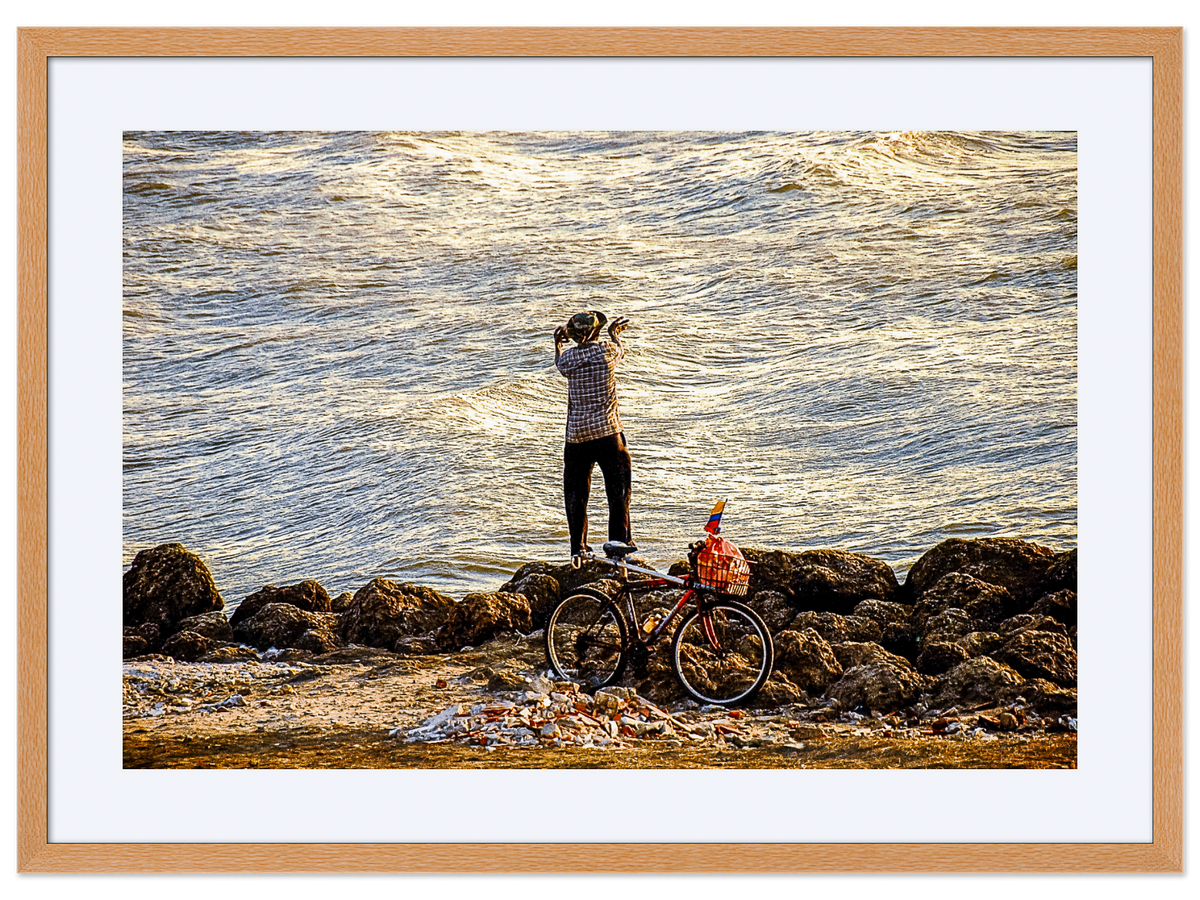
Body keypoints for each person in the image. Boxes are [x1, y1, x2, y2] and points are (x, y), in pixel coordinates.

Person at [554, 309, 634, 561]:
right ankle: (619, 546)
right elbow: (620, 349)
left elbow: (559, 362)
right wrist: (615, 335)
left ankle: (578, 549)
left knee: (576, 495)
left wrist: (557, 344)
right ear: (597, 332)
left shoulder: (567, 360)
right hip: (609, 432)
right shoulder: (608, 352)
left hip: (577, 437)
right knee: (618, 490)